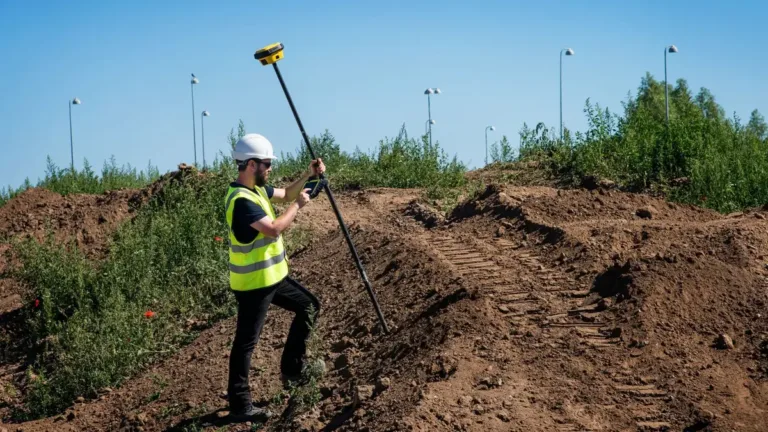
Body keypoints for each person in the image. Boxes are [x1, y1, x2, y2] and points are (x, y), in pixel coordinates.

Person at [224, 133, 324, 421]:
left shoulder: (256, 190)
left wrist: (309, 176)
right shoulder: (242, 200)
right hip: (254, 284)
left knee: (309, 306)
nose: (270, 169)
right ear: (252, 164)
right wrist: (299, 206)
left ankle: (292, 371)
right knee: (246, 343)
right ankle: (240, 406)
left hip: (272, 278)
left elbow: (287, 193)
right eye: (267, 164)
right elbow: (274, 228)